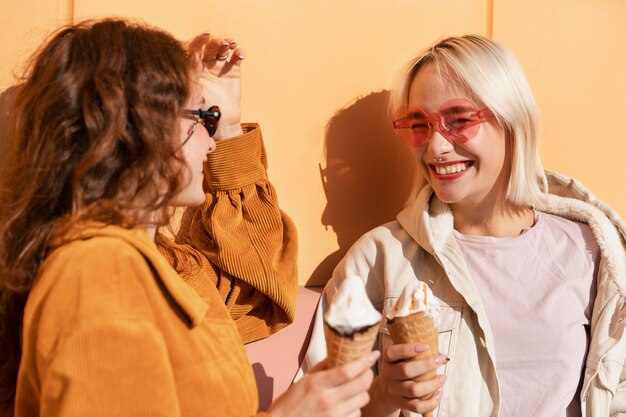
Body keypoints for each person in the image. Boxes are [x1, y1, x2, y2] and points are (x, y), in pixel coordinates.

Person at [0, 19, 378, 417]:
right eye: (202, 117)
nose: (211, 141)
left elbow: (258, 290)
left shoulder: (159, 264)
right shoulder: (96, 275)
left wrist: (230, 124)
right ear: (140, 126)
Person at [304, 35, 626, 416]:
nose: (435, 146)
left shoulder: (590, 249)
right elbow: (317, 407)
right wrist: (384, 399)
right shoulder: (378, 258)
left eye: (458, 120)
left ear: (512, 120)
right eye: (419, 124)